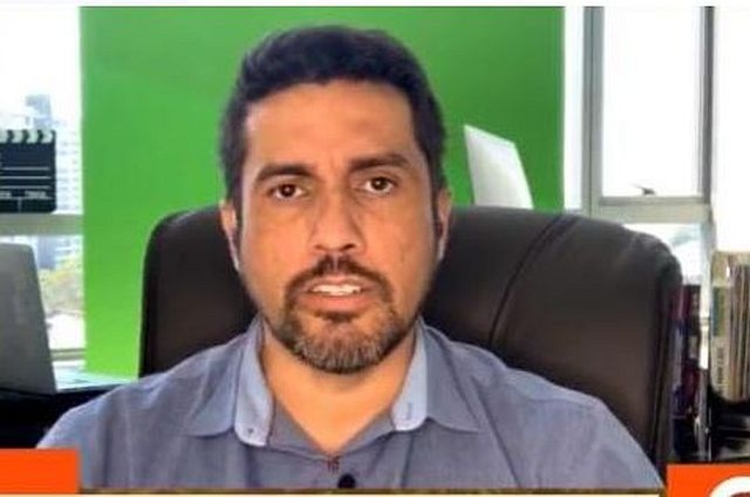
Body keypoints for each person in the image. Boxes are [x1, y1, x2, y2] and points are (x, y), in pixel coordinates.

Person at [40, 25, 662, 489]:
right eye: (289, 190)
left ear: (440, 221)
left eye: (378, 184)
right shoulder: (90, 455)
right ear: (233, 233)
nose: (335, 235)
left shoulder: (576, 455)